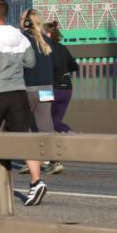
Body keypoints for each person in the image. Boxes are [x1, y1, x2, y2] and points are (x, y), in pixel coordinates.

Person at [0, 0, 47, 207]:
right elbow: (30, 62)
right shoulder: (18, 34)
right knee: (22, 138)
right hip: (18, 93)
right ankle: (36, 182)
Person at [19, 8, 55, 174]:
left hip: (29, 89)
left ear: (26, 22)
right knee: (45, 125)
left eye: (21, 18)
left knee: (25, 126)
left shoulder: (22, 39)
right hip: (47, 88)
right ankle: (47, 158)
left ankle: (32, 160)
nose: (19, 21)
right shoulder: (47, 40)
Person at [44, 20, 79, 175]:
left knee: (43, 122)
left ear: (48, 34)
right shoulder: (63, 48)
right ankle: (53, 157)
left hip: (49, 90)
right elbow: (74, 67)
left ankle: (50, 159)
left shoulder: (44, 49)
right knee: (55, 121)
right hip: (67, 90)